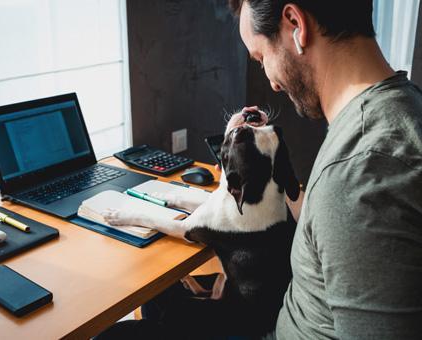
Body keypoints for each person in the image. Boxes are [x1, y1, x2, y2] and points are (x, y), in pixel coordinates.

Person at [98, 0, 422, 338]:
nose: (271, 82)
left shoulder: (364, 168)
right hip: (281, 312)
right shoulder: (398, 109)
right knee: (158, 300)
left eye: (261, 57)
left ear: (295, 24)